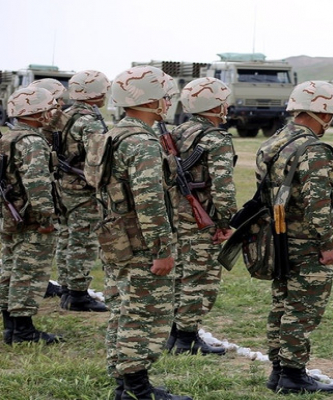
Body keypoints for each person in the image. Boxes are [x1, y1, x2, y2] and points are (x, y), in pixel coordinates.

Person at [99, 65, 190, 400]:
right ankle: (138, 390)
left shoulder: (114, 134)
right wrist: (162, 250)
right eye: (164, 96)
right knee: (143, 316)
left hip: (116, 240)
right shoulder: (143, 143)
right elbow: (150, 203)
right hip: (140, 245)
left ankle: (124, 384)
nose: (168, 102)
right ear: (151, 101)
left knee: (122, 313)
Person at [256, 81, 333, 394]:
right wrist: (327, 246)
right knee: (302, 308)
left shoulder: (274, 142)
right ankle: (292, 375)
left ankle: (278, 370)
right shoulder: (314, 150)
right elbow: (318, 208)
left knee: (282, 303)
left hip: (277, 239)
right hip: (305, 243)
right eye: (330, 114)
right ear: (321, 112)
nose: (330, 121)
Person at [165, 77, 237, 355]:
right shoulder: (216, 138)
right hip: (200, 219)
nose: (227, 106)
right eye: (223, 101)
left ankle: (175, 333)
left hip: (174, 216)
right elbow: (223, 187)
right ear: (213, 105)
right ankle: (186, 339)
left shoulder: (178, 132)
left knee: (181, 273)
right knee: (199, 278)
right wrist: (225, 222)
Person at [0, 87, 63, 345]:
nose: (52, 113)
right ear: (37, 112)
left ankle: (11, 327)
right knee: (29, 273)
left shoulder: (7, 138)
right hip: (30, 219)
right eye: (49, 108)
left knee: (10, 270)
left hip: (9, 216)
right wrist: (46, 219)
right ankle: (24, 333)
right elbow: (38, 184)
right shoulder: (33, 142)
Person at [54, 70, 111, 312]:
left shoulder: (65, 115)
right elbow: (97, 159)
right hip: (83, 190)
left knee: (68, 238)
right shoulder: (90, 121)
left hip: (64, 186)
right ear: (95, 92)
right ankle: (77, 295)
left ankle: (68, 289)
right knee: (83, 242)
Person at [26, 78, 69, 299]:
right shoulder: (35, 134)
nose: (60, 105)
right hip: (33, 199)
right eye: (57, 100)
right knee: (31, 250)